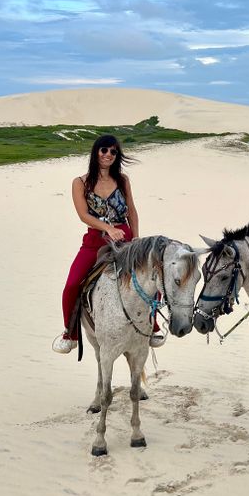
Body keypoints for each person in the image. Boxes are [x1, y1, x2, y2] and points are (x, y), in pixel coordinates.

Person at [52, 134, 163, 354]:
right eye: (104, 150)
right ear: (96, 152)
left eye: (113, 151)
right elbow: (83, 215)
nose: (109, 155)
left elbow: (131, 210)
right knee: (72, 285)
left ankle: (153, 324)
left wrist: (136, 237)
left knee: (153, 276)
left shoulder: (122, 180)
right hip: (95, 240)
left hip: (126, 238)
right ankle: (70, 334)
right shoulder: (80, 182)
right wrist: (107, 229)